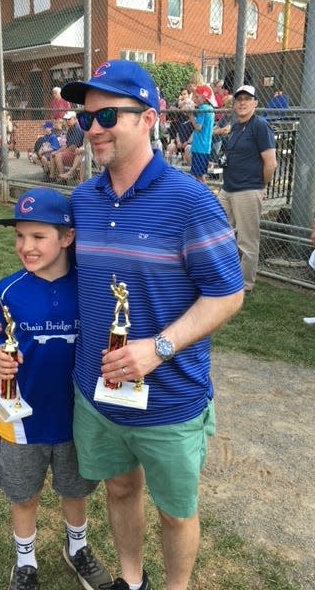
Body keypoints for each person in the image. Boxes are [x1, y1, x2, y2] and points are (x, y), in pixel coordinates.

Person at [58, 60, 244, 590]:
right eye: (85, 118)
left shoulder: (190, 201)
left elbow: (228, 294)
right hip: (98, 393)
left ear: (150, 118)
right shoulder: (84, 202)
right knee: (119, 490)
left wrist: (158, 348)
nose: (93, 128)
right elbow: (65, 274)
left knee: (175, 512)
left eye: (107, 115)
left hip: (169, 398)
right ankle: (131, 580)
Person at [0, 187, 111, 590]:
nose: (26, 246)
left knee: (74, 490)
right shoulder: (8, 291)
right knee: (23, 494)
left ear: (67, 237)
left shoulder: (90, 286)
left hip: (78, 413)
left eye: (38, 237)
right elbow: (1, 343)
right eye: (20, 236)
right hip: (25, 416)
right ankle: (25, 561)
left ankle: (77, 548)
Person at [218, 85, 277, 295]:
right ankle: (224, 275)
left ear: (255, 103)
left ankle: (245, 285)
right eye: (239, 99)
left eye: (247, 99)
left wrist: (260, 186)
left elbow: (270, 163)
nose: (242, 102)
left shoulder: (260, 126)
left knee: (247, 241)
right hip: (228, 189)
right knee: (217, 233)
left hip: (248, 190)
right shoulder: (236, 126)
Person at [188, 84, 215, 183]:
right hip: (205, 147)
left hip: (200, 147)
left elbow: (198, 127)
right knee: (199, 174)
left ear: (204, 98)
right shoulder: (210, 109)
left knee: (198, 176)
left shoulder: (203, 108)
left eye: (197, 97)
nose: (194, 99)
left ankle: (205, 195)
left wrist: (191, 116)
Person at [52, 110, 85, 182]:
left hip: (76, 153)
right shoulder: (70, 128)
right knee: (54, 154)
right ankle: (52, 177)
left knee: (58, 155)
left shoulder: (77, 128)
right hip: (72, 152)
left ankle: (63, 180)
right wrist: (57, 151)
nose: (67, 121)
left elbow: (73, 147)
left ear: (75, 119)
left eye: (69, 119)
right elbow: (67, 145)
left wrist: (60, 152)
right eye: (66, 119)